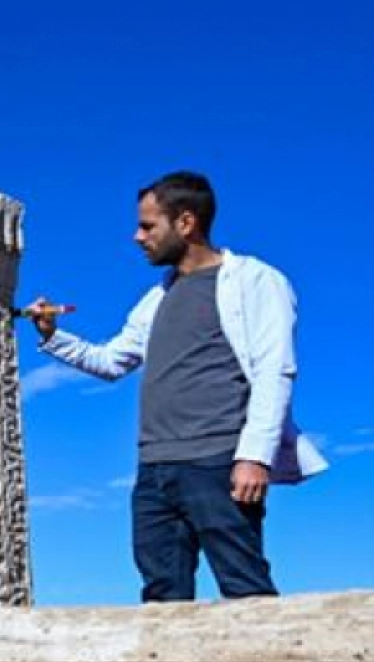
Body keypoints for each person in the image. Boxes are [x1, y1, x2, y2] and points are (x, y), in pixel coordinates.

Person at [23, 171, 326, 602]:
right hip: (154, 471)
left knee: (245, 589)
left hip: (219, 463)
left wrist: (255, 457)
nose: (136, 236)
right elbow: (111, 361)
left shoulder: (255, 280)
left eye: (148, 226)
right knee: (161, 597)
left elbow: (274, 371)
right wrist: (52, 335)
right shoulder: (157, 298)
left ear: (185, 223)